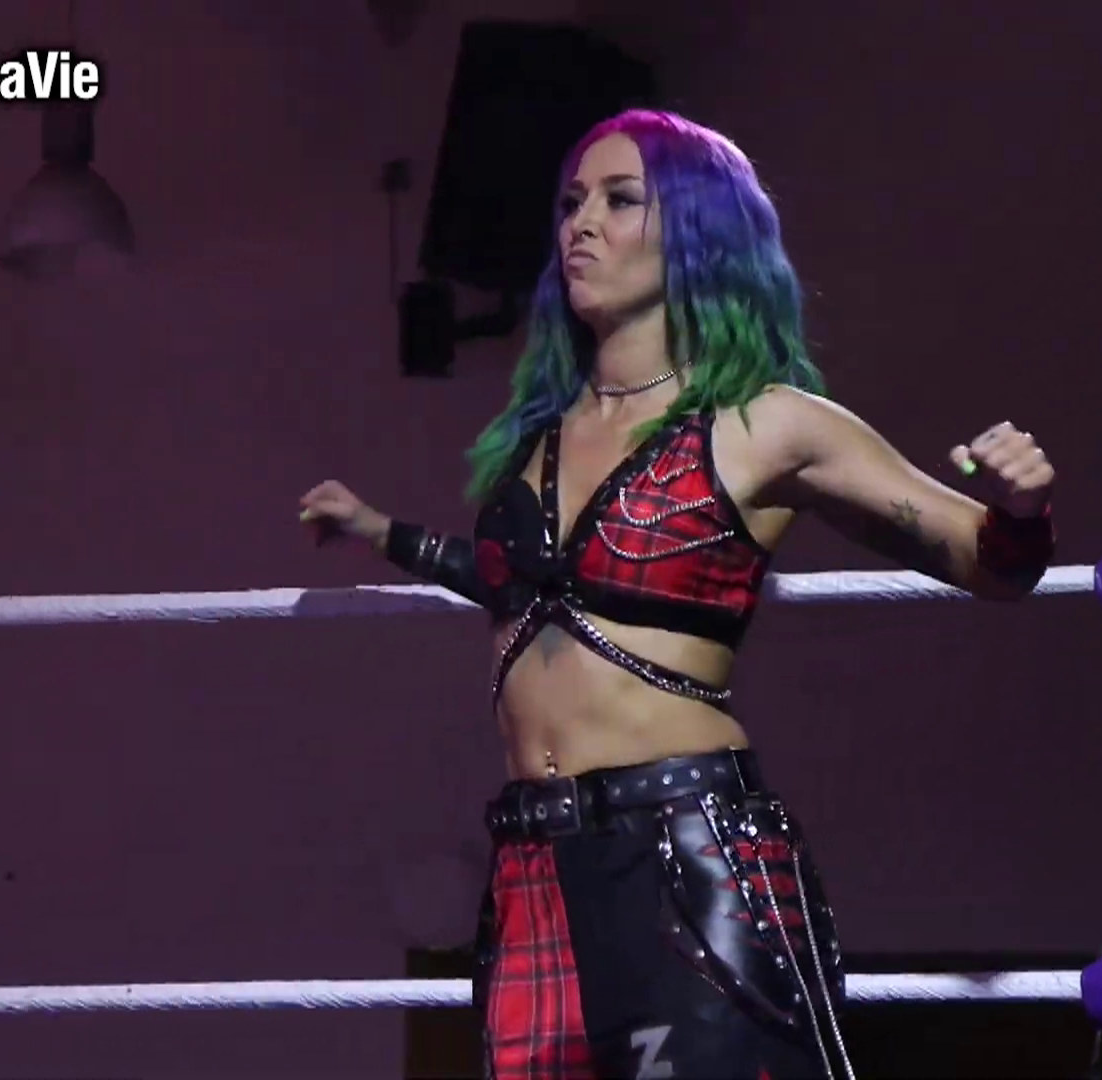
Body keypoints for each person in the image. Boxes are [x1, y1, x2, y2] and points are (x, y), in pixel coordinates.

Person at [298, 109, 1056, 1080]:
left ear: (700, 232)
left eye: (621, 200)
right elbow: (521, 588)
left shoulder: (768, 424)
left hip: (685, 848)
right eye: (572, 202)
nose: (581, 223)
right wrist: (382, 532)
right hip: (532, 861)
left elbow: (990, 563)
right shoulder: (535, 438)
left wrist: (1021, 506)